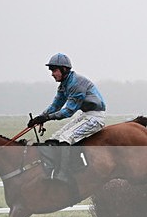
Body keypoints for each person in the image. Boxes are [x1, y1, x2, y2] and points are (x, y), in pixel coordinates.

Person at [28, 53, 106, 181]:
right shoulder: (64, 85)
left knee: (65, 138)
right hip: (85, 115)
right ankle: (54, 169)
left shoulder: (76, 84)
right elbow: (55, 106)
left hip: (95, 117)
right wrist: (39, 118)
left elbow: (68, 111)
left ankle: (65, 174)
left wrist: (46, 118)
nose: (52, 74)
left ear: (64, 69)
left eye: (54, 70)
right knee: (55, 138)